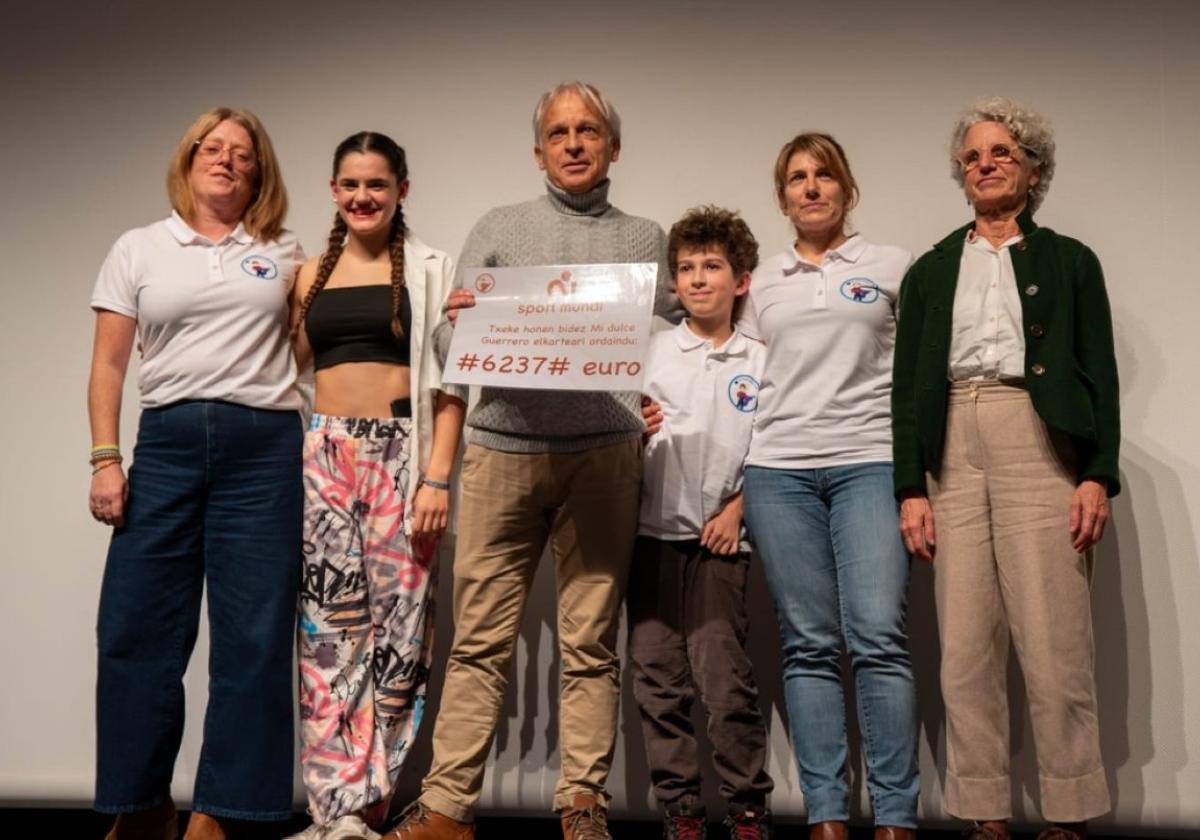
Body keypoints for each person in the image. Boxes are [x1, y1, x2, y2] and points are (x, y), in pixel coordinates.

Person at [386, 80, 678, 840]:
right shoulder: (499, 226)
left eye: (588, 131)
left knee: (590, 642)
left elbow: (676, 341)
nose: (574, 143)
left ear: (613, 146)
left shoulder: (647, 238)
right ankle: (448, 808)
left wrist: (664, 399)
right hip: (502, 451)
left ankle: (582, 804)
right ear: (539, 149)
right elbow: (453, 350)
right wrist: (456, 325)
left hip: (606, 455)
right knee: (479, 639)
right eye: (559, 132)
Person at [892, 96, 1119, 840]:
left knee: (1055, 649)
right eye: (972, 157)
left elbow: (1100, 373)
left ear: (1034, 170)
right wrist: (909, 488)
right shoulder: (931, 269)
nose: (983, 166)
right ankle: (985, 813)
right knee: (964, 649)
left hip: (1038, 441)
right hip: (954, 444)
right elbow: (904, 388)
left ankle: (1069, 813)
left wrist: (1098, 472)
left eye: (1000, 154)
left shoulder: (1071, 260)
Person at [88, 107, 304, 840]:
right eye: (212, 148)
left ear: (259, 173)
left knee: (254, 637)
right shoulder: (140, 247)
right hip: (169, 443)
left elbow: (314, 348)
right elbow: (109, 364)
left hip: (265, 449)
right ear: (187, 162)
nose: (226, 160)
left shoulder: (286, 252)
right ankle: (140, 805)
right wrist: (106, 457)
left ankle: (224, 812)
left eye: (242, 153)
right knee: (134, 630)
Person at [738, 133, 920, 840]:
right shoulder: (763, 281)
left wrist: (918, 478)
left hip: (870, 464)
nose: (811, 188)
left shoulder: (894, 267)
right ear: (782, 195)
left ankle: (897, 816)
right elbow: (734, 377)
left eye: (823, 176)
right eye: (796, 178)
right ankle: (826, 816)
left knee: (878, 636)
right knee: (808, 643)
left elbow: (917, 373)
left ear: (847, 188)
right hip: (776, 472)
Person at [284, 132, 465, 840]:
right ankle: (332, 811)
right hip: (324, 459)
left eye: (377, 185)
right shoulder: (305, 277)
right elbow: (278, 369)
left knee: (400, 637)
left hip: (402, 461)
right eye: (350, 184)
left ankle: (372, 805)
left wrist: (437, 478)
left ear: (401, 191)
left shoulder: (431, 271)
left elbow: (454, 386)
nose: (363, 196)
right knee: (328, 639)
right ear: (334, 191)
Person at [628, 206, 774, 840]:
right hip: (651, 538)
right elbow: (616, 434)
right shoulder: (651, 349)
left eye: (712, 266)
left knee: (724, 679)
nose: (696, 279)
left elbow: (773, 447)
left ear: (741, 280)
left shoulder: (763, 359)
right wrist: (633, 431)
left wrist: (739, 509)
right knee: (658, 680)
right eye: (685, 268)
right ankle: (680, 809)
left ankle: (746, 805)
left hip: (721, 543)